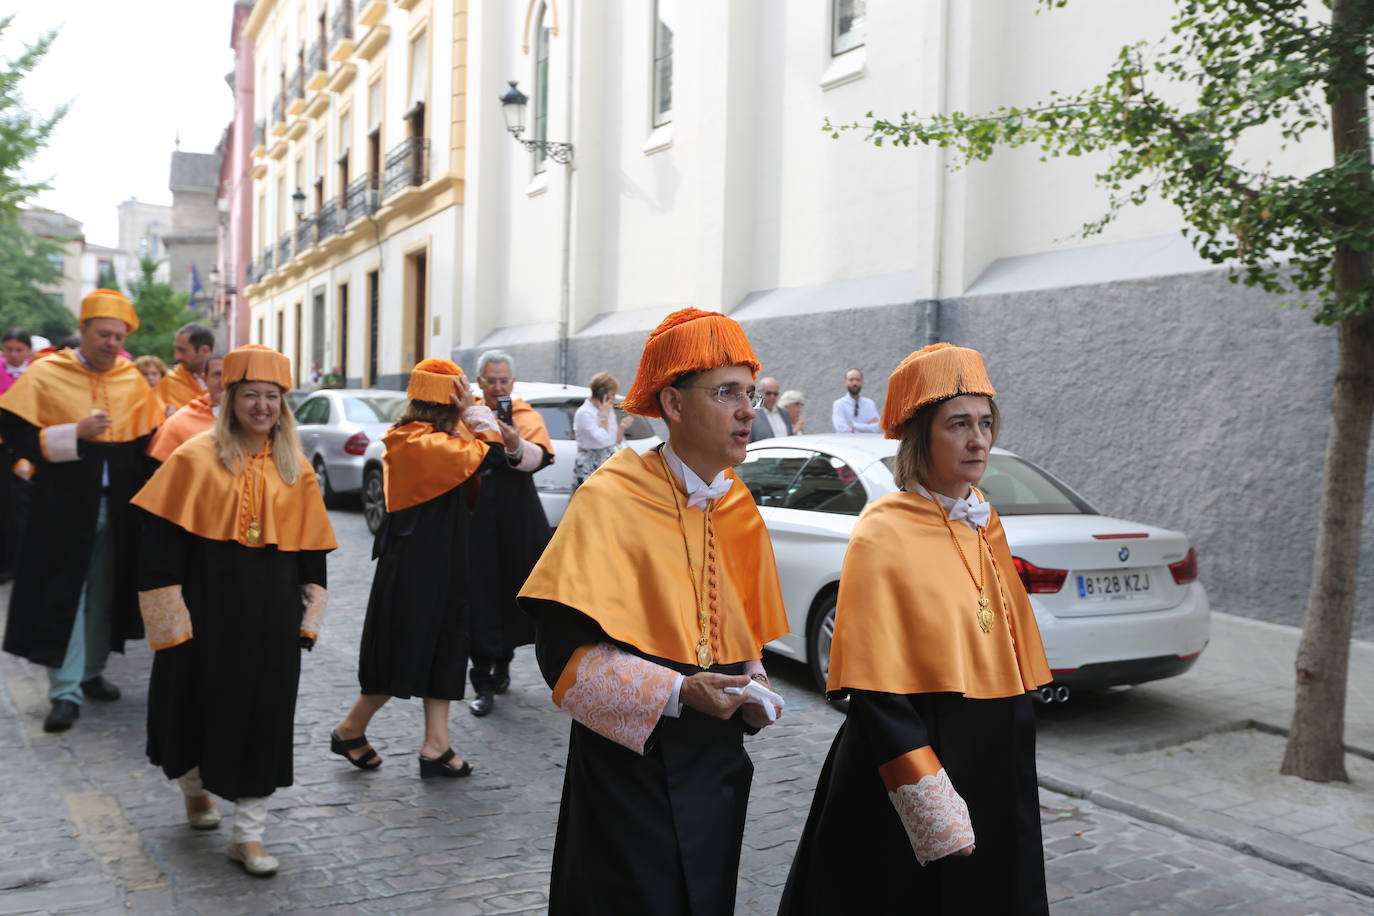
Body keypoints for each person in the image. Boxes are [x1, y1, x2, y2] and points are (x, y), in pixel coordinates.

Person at [518, 308, 790, 914]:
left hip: (716, 767)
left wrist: (755, 686)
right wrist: (678, 692)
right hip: (628, 772)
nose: (749, 409)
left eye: (750, 392)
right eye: (727, 392)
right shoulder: (611, 497)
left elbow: (741, 633)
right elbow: (562, 661)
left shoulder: (736, 503)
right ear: (672, 403)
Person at [779, 343, 1053, 914]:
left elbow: (1002, 639)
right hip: (914, 749)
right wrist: (929, 795)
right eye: (959, 425)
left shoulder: (984, 520)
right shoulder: (884, 529)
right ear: (921, 436)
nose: (979, 440)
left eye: (985, 423)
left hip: (995, 753)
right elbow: (875, 688)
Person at [131, 344, 336, 877]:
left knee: (265, 718)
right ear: (231, 400)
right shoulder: (194, 456)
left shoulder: (297, 471)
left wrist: (308, 619)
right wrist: (170, 622)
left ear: (282, 405)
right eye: (251, 395)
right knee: (191, 707)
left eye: (272, 397)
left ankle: (248, 835)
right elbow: (159, 548)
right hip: (201, 610)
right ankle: (194, 790)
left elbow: (312, 557)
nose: (262, 406)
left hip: (269, 619)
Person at [0, 290, 163, 732]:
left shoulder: (132, 380)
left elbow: (148, 445)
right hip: (63, 507)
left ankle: (92, 672)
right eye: (104, 334)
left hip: (121, 509)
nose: (112, 343)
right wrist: (75, 432)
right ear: (85, 332)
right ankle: (64, 690)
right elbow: (14, 434)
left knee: (106, 593)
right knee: (66, 593)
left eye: (119, 336)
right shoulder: (47, 373)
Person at [331, 359, 502, 777]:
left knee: (445, 645)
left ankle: (436, 744)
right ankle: (350, 729)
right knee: (405, 649)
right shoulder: (418, 441)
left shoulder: (426, 438)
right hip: (417, 564)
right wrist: (474, 414)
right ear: (446, 405)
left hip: (437, 557)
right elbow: (492, 455)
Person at [466, 350, 555, 717]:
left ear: (512, 383)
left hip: (518, 517)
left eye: (504, 380)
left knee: (517, 594)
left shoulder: (525, 414)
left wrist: (513, 441)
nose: (498, 387)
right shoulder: (466, 413)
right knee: (479, 594)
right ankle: (482, 680)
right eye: (491, 381)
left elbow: (540, 457)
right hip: (476, 516)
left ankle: (502, 664)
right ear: (480, 382)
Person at [147, 355, 225, 463]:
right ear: (205, 379)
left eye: (230, 375)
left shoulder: (250, 419)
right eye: (217, 375)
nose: (224, 381)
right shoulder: (179, 421)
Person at [572, 371, 633, 489]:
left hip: (608, 463)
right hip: (589, 466)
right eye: (612, 394)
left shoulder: (607, 410)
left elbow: (615, 441)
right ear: (603, 393)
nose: (614, 398)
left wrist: (622, 427)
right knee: (589, 503)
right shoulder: (584, 413)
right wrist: (603, 416)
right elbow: (602, 440)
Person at [156, 322, 215, 411]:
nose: (176, 357)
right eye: (176, 349)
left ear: (204, 350)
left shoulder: (225, 383)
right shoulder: (168, 383)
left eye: (183, 350)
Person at [831, 367, 881, 433]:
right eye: (851, 380)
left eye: (857, 380)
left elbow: (877, 428)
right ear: (845, 382)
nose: (855, 383)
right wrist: (867, 428)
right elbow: (841, 429)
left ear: (862, 382)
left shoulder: (869, 404)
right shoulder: (839, 404)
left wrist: (854, 425)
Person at [747, 376, 792, 441]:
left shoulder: (784, 413)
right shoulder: (750, 414)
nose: (772, 397)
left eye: (775, 394)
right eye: (768, 393)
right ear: (760, 392)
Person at [0, 328, 33, 396]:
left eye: (19, 350)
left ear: (29, 349)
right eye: (9, 349)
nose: (13, 355)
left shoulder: (36, 370)